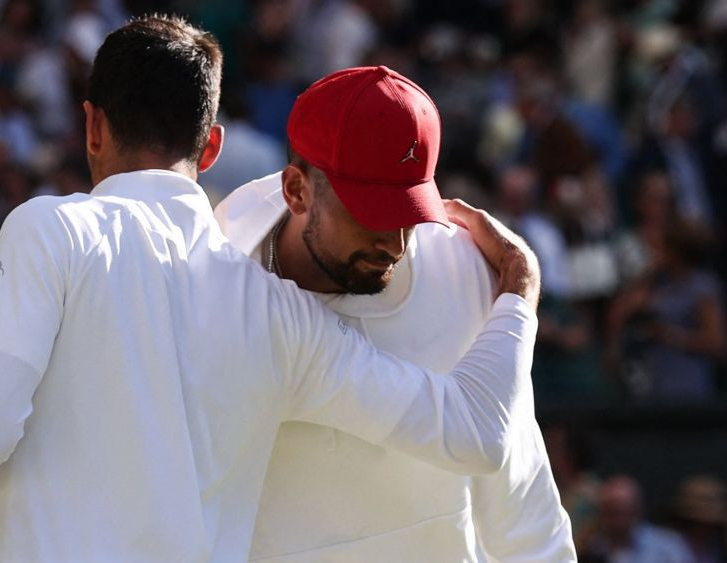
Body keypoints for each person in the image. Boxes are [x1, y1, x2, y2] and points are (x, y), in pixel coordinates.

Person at [0, 15, 541, 561]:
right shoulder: (281, 314)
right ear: (211, 147)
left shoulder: (49, 229)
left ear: (92, 126)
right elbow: (480, 432)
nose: (395, 242)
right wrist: (517, 289)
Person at [215, 66, 574, 561]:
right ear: (296, 190)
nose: (396, 244)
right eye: (371, 214)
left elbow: (520, 488)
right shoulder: (220, 276)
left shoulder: (462, 264)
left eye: (410, 211)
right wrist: (521, 282)